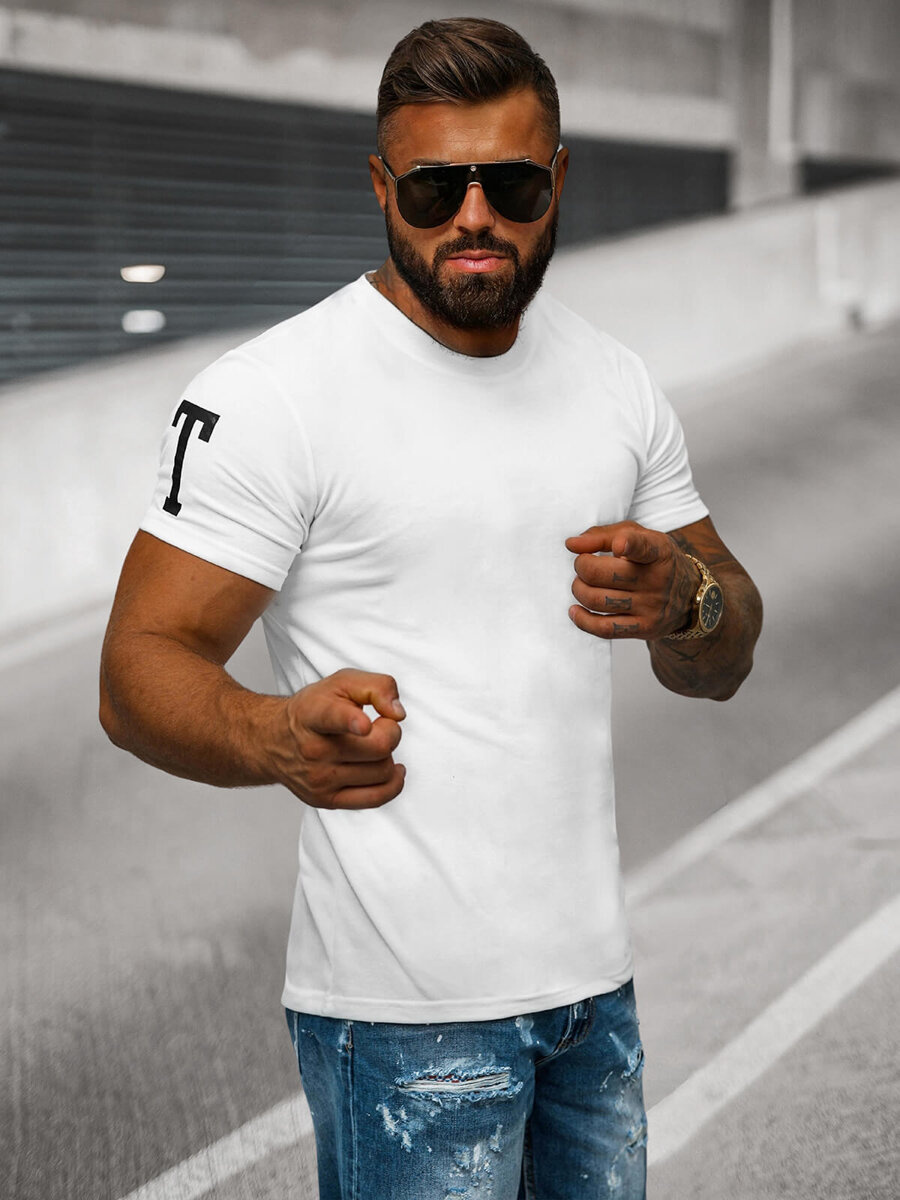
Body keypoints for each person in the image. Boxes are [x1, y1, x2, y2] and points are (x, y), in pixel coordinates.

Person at [100, 17, 762, 1200]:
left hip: (591, 1000)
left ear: (557, 179)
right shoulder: (276, 396)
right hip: (400, 1020)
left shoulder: (614, 383)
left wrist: (687, 598)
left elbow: (724, 652)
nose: (474, 217)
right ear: (380, 185)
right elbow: (138, 664)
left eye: (512, 184)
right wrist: (273, 735)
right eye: (433, 188)